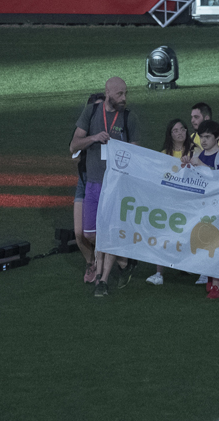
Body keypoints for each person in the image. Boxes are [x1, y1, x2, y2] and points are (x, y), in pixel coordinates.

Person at [68, 76, 138, 297]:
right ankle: (124, 259)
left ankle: (102, 281)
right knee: (89, 234)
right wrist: (94, 138)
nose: (124, 98)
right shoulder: (91, 113)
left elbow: (136, 153)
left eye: (126, 93)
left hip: (116, 185)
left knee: (108, 234)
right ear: (108, 93)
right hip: (93, 183)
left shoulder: (128, 117)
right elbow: (73, 145)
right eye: (120, 94)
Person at [148, 119, 197, 286]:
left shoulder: (195, 151)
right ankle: (159, 273)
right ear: (170, 134)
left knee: (192, 235)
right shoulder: (164, 154)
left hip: (190, 202)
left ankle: (195, 268)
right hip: (169, 202)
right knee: (164, 235)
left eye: (182, 129)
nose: (180, 133)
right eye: (175, 130)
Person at [189, 120, 219, 300]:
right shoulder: (197, 157)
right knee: (203, 241)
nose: (204, 140)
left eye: (208, 137)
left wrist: (200, 164)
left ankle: (217, 284)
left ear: (217, 137)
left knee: (216, 241)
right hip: (200, 206)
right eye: (201, 137)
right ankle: (209, 276)